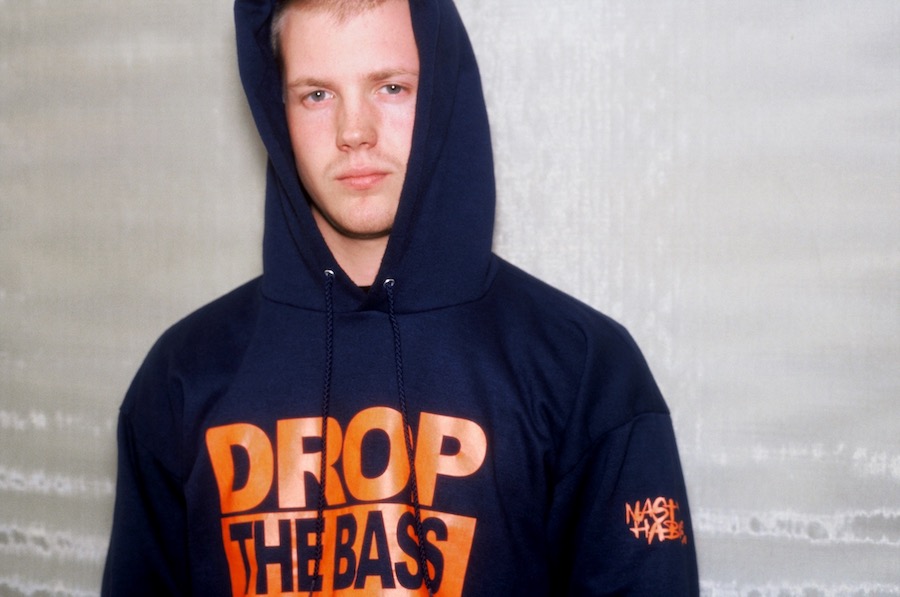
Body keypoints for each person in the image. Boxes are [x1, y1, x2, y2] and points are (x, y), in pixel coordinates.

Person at [102, 0, 699, 594]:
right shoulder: (184, 375)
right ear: (276, 110)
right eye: (317, 95)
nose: (353, 132)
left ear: (443, 94)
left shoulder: (583, 369)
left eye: (391, 88)